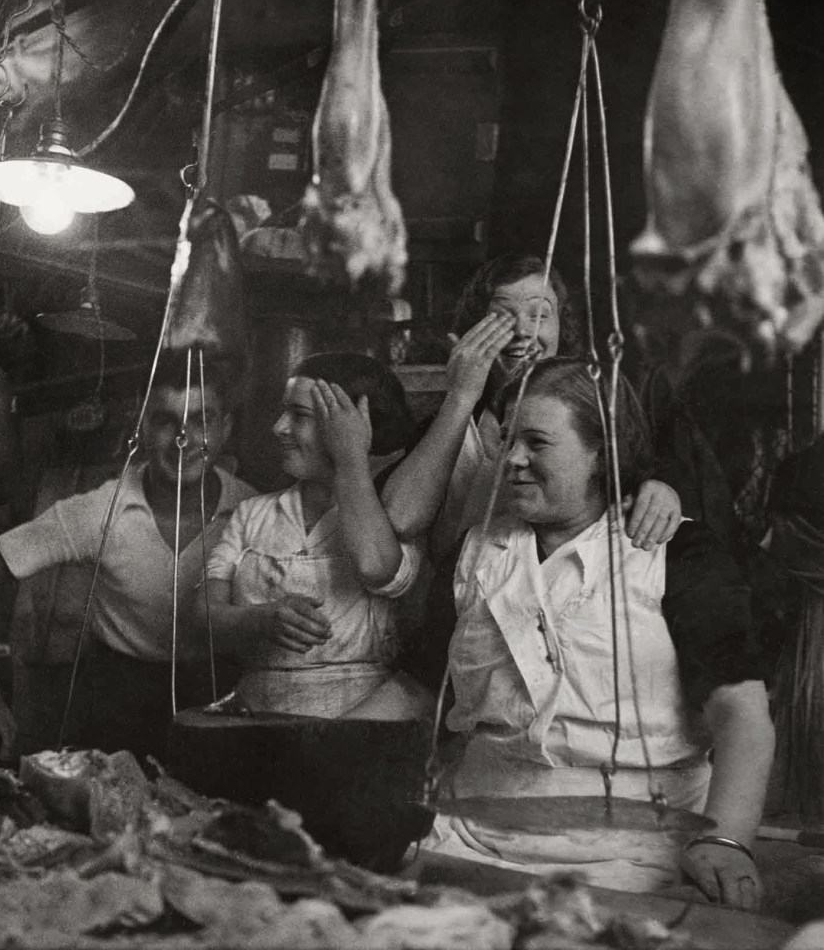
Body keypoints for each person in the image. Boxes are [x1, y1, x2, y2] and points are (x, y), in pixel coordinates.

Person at [420, 357, 774, 909]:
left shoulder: (678, 556)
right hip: (469, 838)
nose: (512, 459)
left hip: (629, 853)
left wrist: (725, 841)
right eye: (508, 438)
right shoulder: (473, 555)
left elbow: (743, 714)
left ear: (602, 453)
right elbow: (427, 698)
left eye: (537, 442)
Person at [0, 352, 257, 763]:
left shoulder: (251, 510)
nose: (184, 439)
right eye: (166, 421)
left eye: (202, 420)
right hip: (118, 709)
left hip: (218, 701)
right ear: (142, 427)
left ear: (225, 428)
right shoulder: (102, 510)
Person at [381, 254, 683, 559]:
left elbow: (646, 481)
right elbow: (401, 519)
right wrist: (460, 396)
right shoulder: (452, 420)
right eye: (502, 318)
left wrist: (661, 490)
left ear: (561, 326)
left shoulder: (599, 410)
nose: (523, 331)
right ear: (473, 332)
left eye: (539, 315)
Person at [206, 352, 431, 720]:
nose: (279, 427)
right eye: (283, 411)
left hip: (360, 719)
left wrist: (351, 456)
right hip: (253, 715)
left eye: (300, 416)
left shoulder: (394, 514)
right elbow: (204, 616)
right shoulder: (252, 513)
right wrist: (258, 620)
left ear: (354, 426)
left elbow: (378, 568)